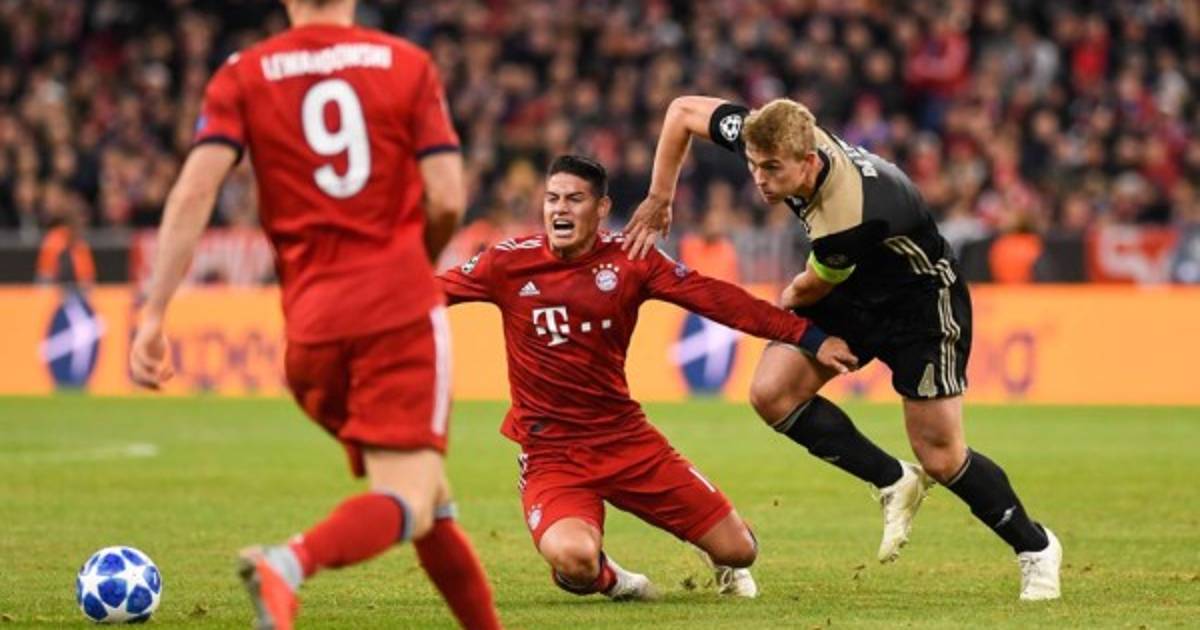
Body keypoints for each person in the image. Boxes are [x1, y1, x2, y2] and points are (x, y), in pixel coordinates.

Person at [128, 1, 502, 628]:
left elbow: (195, 190)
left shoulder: (243, 73)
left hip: (309, 331)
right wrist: (412, 264)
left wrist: (153, 313)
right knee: (409, 496)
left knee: (429, 499)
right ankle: (289, 564)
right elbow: (445, 197)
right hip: (394, 315)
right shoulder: (406, 64)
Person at [624, 96, 1062, 601]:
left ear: (808, 161)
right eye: (753, 165)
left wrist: (781, 307)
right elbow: (681, 112)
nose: (760, 179)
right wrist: (660, 197)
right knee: (772, 393)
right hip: (856, 290)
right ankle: (893, 480)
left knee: (940, 456)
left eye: (772, 168)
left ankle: (1036, 547)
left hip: (919, 303)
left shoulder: (847, 216)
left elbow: (807, 288)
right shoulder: (772, 132)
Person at [439, 155, 859, 602]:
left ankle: (719, 560)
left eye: (574, 199)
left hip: (626, 441)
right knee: (574, 560)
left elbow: (718, 300)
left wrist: (808, 337)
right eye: (552, 198)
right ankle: (615, 579)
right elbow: (427, 292)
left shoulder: (632, 259)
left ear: (602, 208)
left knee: (741, 551)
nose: (560, 209)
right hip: (552, 455)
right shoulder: (507, 262)